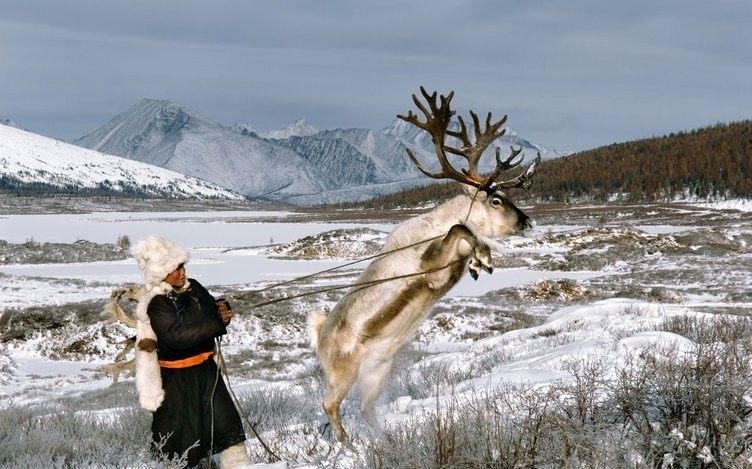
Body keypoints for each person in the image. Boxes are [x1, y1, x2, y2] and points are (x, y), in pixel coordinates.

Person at [131, 236, 250, 468]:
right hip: (177, 382)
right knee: (182, 442)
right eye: (174, 269)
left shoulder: (194, 287)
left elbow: (207, 310)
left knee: (227, 428)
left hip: (206, 371)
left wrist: (221, 308)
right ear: (159, 273)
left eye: (182, 266)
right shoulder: (156, 304)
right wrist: (216, 322)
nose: (181, 272)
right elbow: (177, 337)